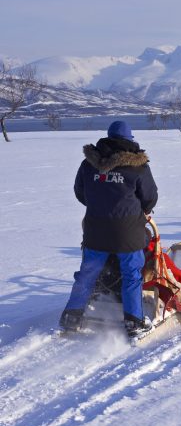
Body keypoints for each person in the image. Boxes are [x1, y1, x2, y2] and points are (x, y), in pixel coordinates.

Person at [59, 120, 158, 337]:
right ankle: (134, 322)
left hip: (96, 231)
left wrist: (101, 206)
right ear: (129, 141)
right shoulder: (138, 167)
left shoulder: (88, 164)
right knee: (132, 275)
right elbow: (149, 198)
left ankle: (72, 316)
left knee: (87, 274)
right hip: (128, 233)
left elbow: (80, 192)